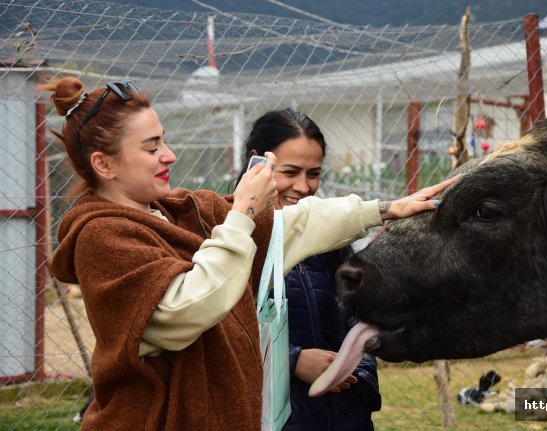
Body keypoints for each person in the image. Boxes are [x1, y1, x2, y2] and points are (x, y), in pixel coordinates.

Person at [42, 78, 457, 430]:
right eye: (151, 148)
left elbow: (290, 226)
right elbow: (187, 308)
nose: (169, 155)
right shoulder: (102, 237)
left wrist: (384, 209)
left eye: (164, 141)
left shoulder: (184, 211)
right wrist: (242, 213)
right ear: (104, 164)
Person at [237, 108, 373, 430]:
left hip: (343, 415)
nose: (303, 186)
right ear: (257, 162)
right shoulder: (230, 238)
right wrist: (293, 360)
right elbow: (222, 325)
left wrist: (358, 372)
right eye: (290, 172)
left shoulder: (331, 241)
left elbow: (360, 314)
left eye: (313, 174)